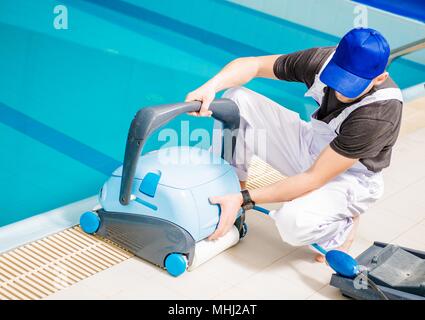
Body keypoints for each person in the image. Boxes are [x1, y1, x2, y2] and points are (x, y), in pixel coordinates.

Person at [185, 28, 403, 262]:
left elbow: (314, 178)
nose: (340, 89)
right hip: (311, 144)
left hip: (348, 177)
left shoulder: (378, 114)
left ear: (379, 78)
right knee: (236, 99)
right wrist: (211, 86)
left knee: (292, 223)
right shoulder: (321, 61)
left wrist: (246, 198)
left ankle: (341, 228)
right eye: (337, 77)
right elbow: (254, 64)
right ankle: (230, 189)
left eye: (351, 84)